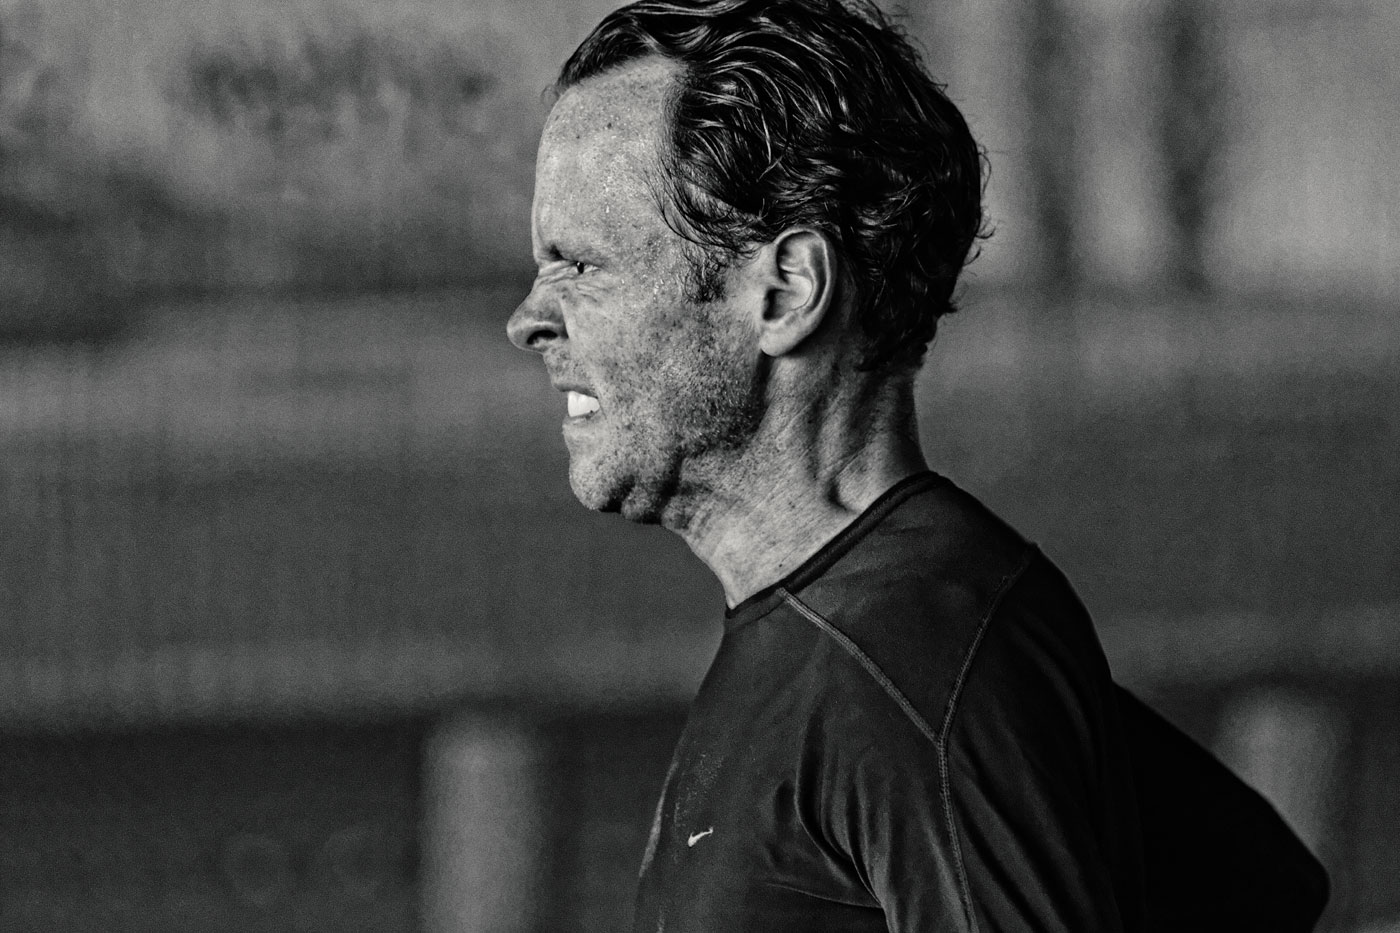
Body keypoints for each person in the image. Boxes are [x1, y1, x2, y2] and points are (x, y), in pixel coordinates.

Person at [506, 1, 1328, 930]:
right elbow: (1259, 884)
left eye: (580, 266)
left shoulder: (921, 660)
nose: (529, 319)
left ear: (786, 291)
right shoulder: (891, 636)